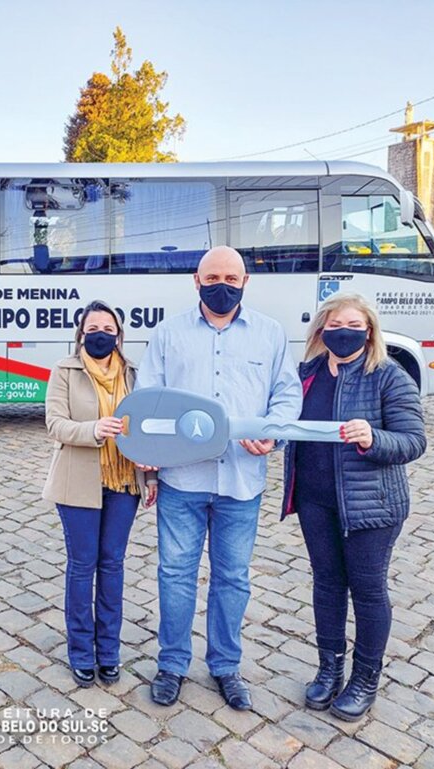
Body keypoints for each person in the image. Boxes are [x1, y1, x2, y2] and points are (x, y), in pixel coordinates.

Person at [138, 246, 302, 710]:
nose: (222, 284)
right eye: (213, 276)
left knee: (233, 578)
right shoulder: (168, 334)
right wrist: (147, 464)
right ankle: (171, 665)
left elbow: (287, 397)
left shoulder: (270, 335)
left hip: (242, 482)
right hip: (182, 481)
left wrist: (273, 437)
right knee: (175, 575)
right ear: (196, 281)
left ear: (246, 282)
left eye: (232, 277)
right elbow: (147, 399)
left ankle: (226, 666)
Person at [282, 293, 425, 721]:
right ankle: (329, 668)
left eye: (353, 325)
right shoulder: (306, 373)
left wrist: (373, 437)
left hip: (371, 506)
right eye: (334, 323)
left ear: (368, 331)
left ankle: (365, 678)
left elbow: (413, 440)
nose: (343, 331)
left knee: (366, 589)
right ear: (321, 329)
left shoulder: (387, 375)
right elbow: (287, 422)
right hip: (315, 499)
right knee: (326, 584)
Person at [43, 299, 157, 687]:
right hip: (78, 482)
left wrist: (152, 475)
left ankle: (109, 652)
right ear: (80, 335)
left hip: (124, 482)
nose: (100, 336)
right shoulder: (65, 371)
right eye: (92, 330)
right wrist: (92, 430)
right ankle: (80, 652)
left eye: (107, 330)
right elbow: (54, 424)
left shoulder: (134, 374)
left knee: (112, 565)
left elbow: (145, 429)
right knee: (82, 565)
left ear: (119, 334)